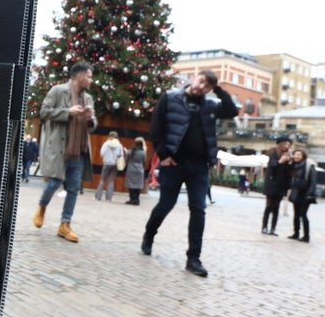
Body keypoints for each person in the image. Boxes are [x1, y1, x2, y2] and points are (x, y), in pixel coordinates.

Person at [140, 70, 238, 277]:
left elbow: (232, 111)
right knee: (166, 204)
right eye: (201, 81)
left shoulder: (211, 106)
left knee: (198, 209)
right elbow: (156, 128)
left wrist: (218, 88)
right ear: (195, 77)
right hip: (174, 163)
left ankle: (193, 259)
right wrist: (163, 154)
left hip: (199, 166)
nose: (202, 87)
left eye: (208, 86)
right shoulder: (170, 98)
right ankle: (149, 235)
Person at [32, 62, 97, 243]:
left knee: (73, 189)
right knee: (54, 182)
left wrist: (90, 120)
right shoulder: (58, 91)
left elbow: (93, 124)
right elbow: (44, 112)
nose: (91, 80)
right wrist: (67, 112)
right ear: (80, 77)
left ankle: (65, 224)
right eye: (89, 76)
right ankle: (41, 207)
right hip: (59, 149)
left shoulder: (88, 98)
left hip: (79, 151)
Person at [261, 136, 293, 236]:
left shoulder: (288, 155)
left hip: (281, 185)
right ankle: (264, 227)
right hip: (271, 184)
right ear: (280, 144)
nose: (287, 146)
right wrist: (281, 161)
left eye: (288, 144)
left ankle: (273, 228)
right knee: (269, 206)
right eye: (285, 144)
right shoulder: (273, 153)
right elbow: (272, 166)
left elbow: (289, 172)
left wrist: (290, 162)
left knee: (276, 208)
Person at [287, 149, 317, 243]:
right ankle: (296, 233)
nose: (296, 156)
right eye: (295, 154)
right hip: (296, 193)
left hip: (305, 194)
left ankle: (306, 236)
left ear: (303, 156)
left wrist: (310, 193)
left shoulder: (309, 166)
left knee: (303, 214)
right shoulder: (294, 166)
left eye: (299, 154)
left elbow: (313, 181)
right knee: (296, 214)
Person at [94, 131, 124, 201]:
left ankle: (98, 196)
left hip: (107, 163)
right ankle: (109, 198)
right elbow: (121, 155)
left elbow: (102, 153)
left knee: (102, 180)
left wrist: (106, 157)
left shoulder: (106, 143)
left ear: (109, 136)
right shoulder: (119, 145)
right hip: (115, 164)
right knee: (111, 181)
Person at [124, 136, 147, 205]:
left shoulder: (130, 151)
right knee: (138, 185)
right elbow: (144, 161)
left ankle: (131, 199)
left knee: (131, 185)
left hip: (131, 169)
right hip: (139, 169)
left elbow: (126, 160)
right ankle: (137, 199)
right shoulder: (143, 152)